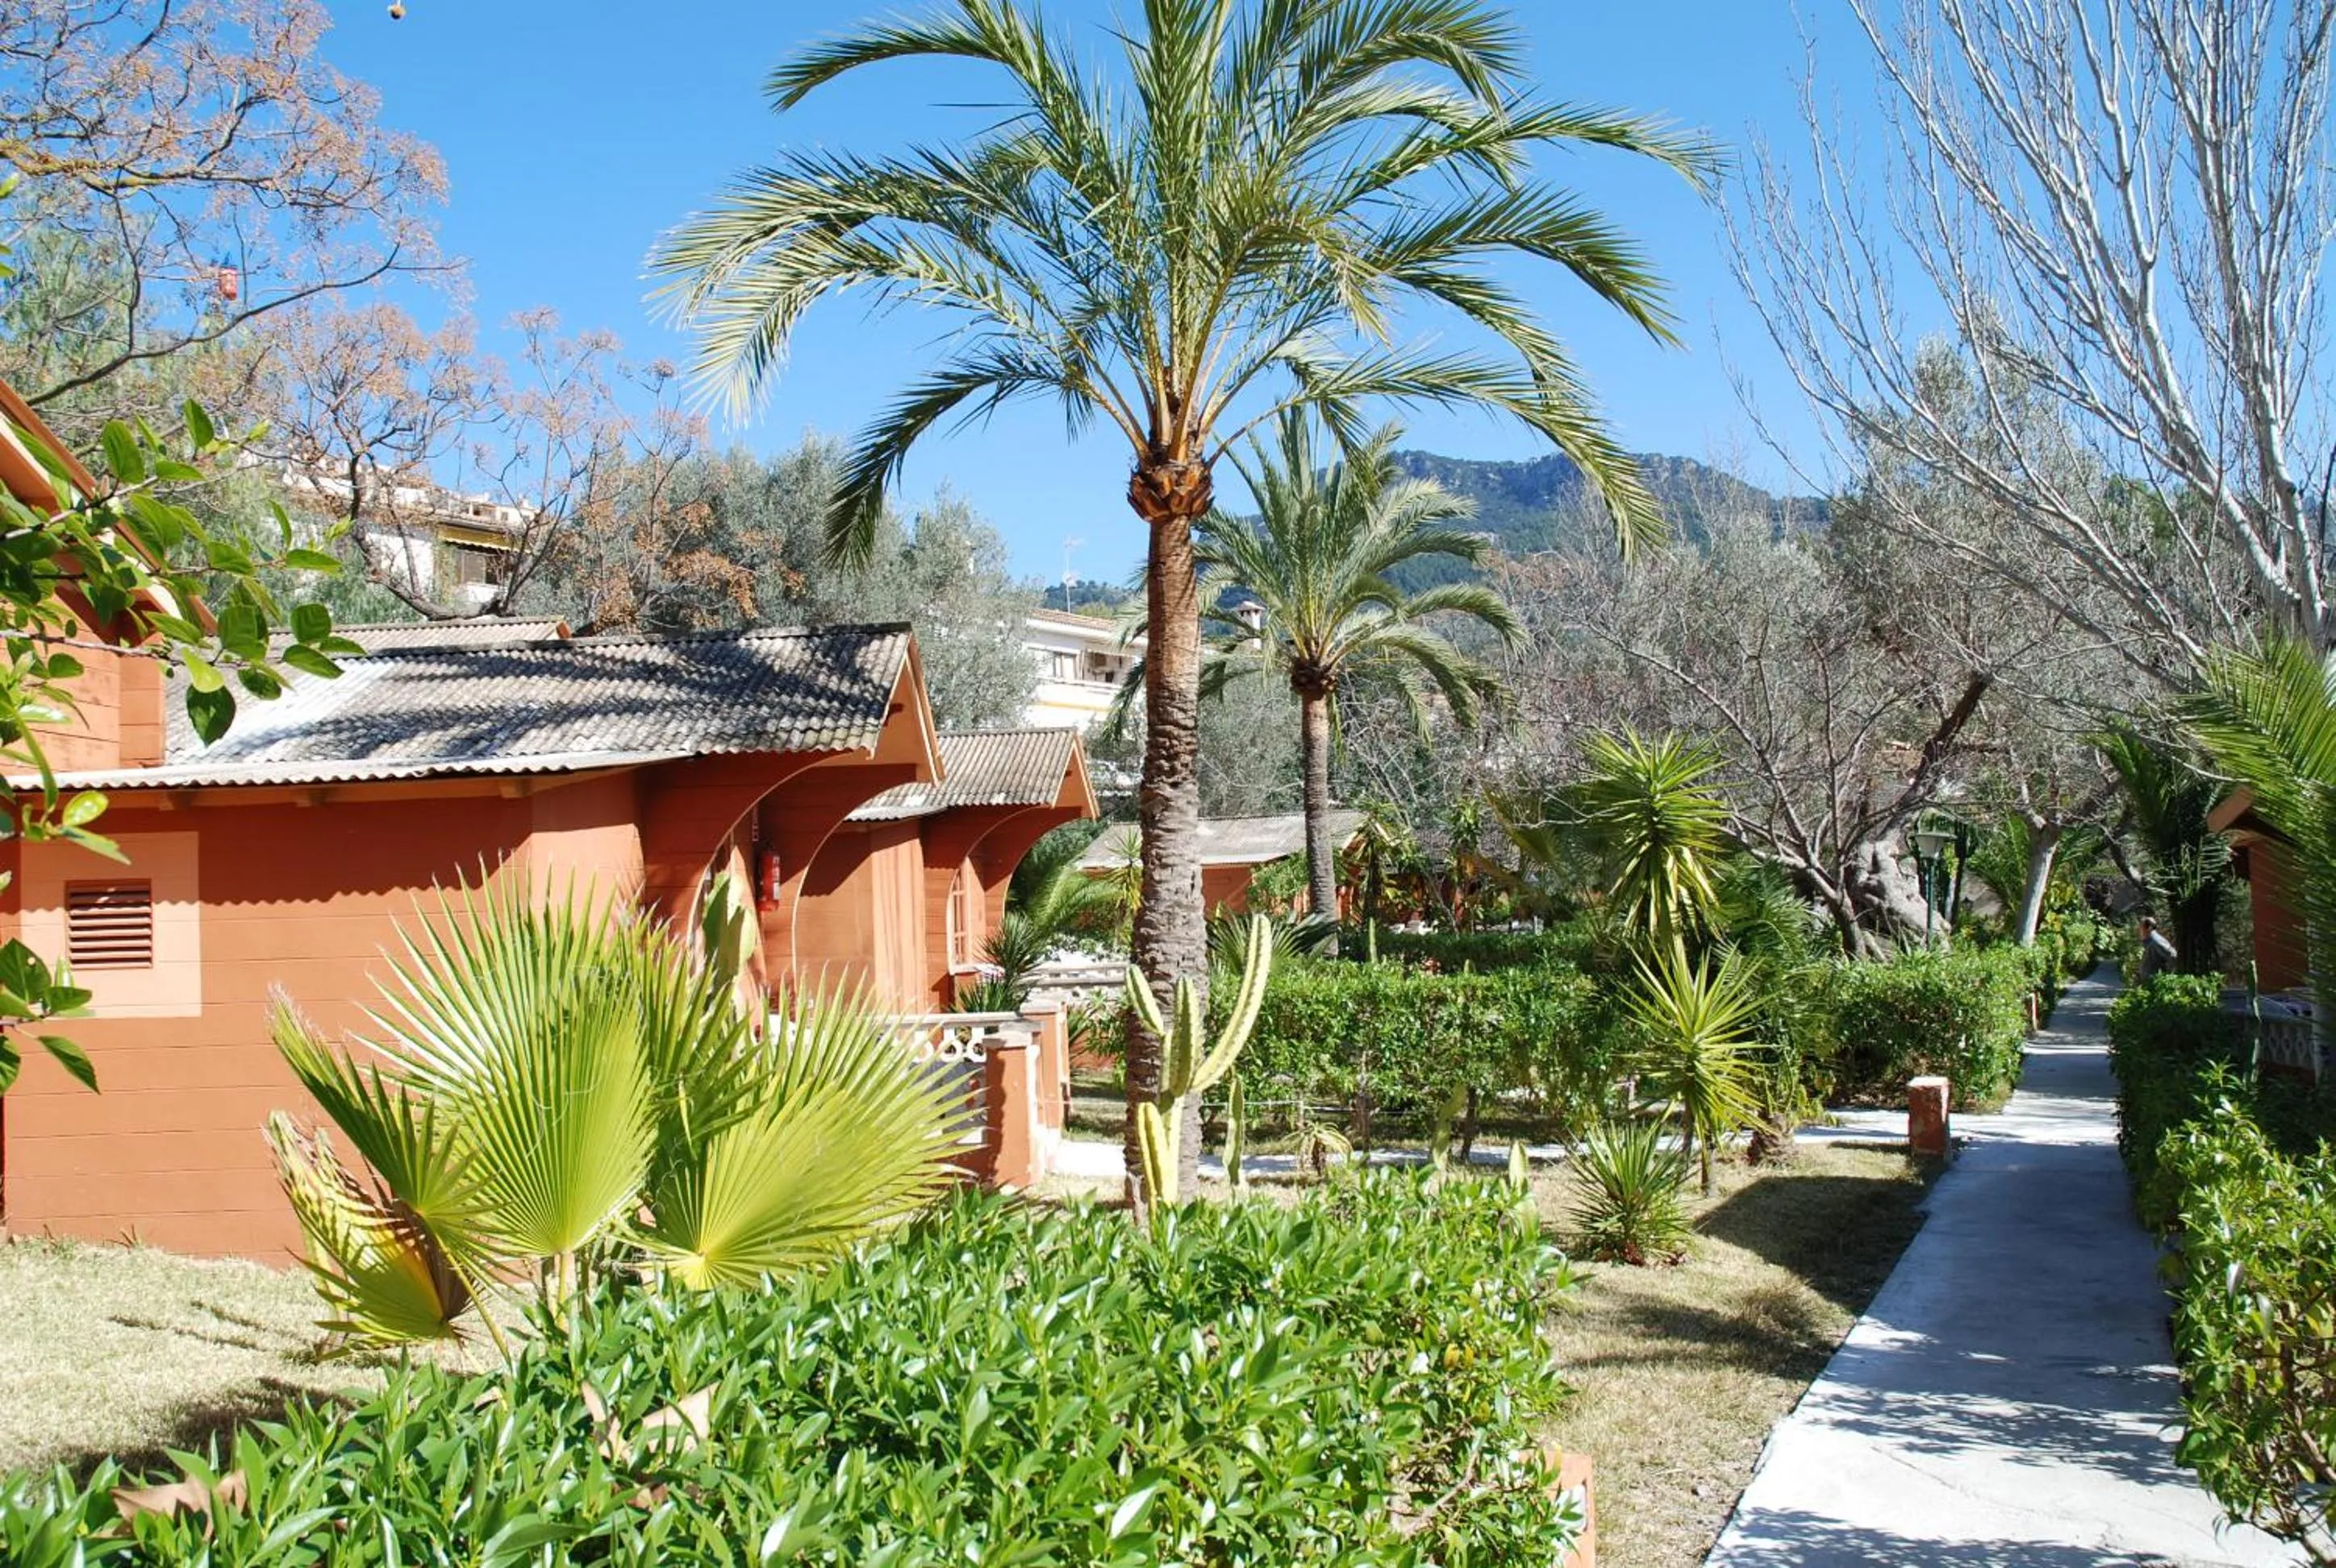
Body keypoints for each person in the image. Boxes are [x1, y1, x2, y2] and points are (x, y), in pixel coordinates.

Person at [2137, 916, 2179, 981]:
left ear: (2149, 928)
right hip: (2150, 982)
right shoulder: (2149, 941)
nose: (2139, 931)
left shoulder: (2156, 941)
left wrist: (2168, 975)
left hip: (2156, 981)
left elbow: (2172, 955)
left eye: (2141, 928)